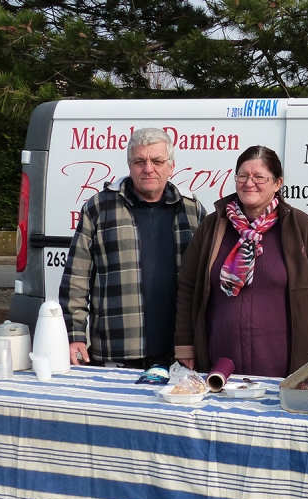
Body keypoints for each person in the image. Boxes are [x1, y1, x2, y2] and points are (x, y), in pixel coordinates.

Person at [174, 145, 308, 377]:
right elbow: (188, 286)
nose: (249, 183)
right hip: (220, 358)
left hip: (284, 362)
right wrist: (185, 344)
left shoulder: (304, 230)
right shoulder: (213, 227)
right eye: (242, 176)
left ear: (277, 183)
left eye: (259, 177)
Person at [59, 127, 205, 369]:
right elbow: (76, 277)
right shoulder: (99, 208)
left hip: (177, 352)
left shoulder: (192, 211)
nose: (148, 168)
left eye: (157, 161)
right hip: (116, 350)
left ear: (171, 165)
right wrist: (74, 335)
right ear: (129, 165)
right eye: (140, 161)